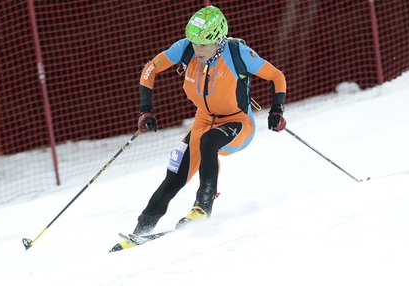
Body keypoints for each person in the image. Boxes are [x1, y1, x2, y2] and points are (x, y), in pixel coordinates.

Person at [113, 5, 287, 251]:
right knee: (174, 176)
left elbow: (276, 76)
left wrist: (277, 109)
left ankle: (202, 207)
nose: (198, 49)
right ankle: (140, 231)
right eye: (195, 43)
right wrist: (145, 109)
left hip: (238, 122)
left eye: (204, 44)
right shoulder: (184, 48)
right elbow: (149, 69)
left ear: (218, 40)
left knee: (209, 142)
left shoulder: (239, 53)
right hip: (204, 119)